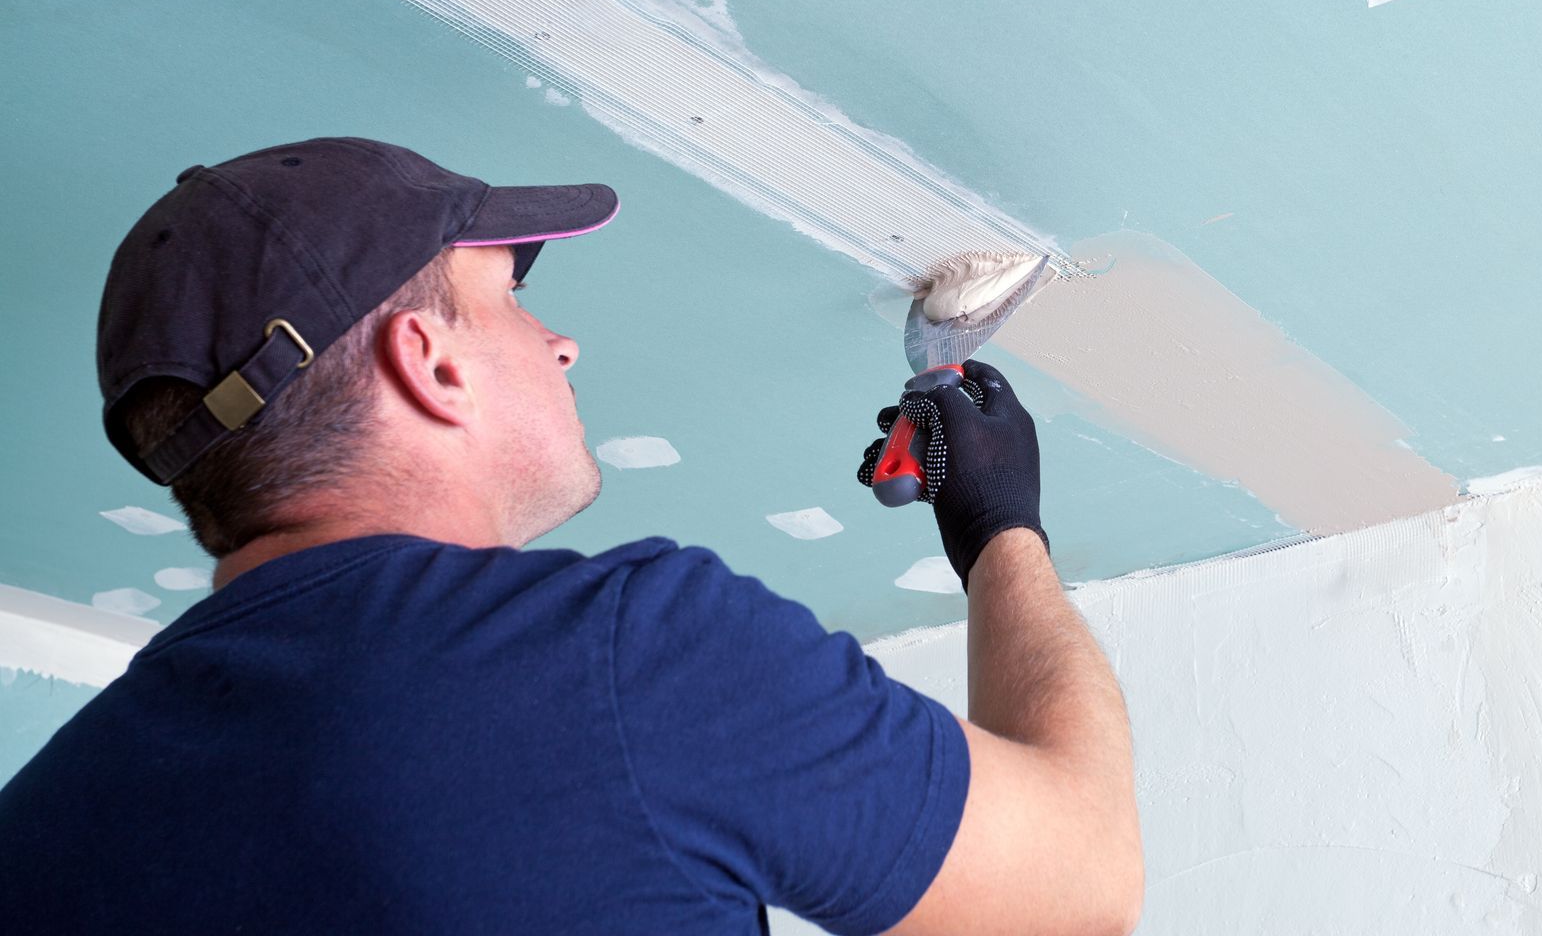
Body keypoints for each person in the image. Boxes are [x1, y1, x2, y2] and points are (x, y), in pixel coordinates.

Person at [0, 136, 1143, 935]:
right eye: (508, 297)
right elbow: (1082, 875)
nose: (561, 343)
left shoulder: (41, 823)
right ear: (429, 362)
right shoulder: (627, 655)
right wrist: (1001, 528)